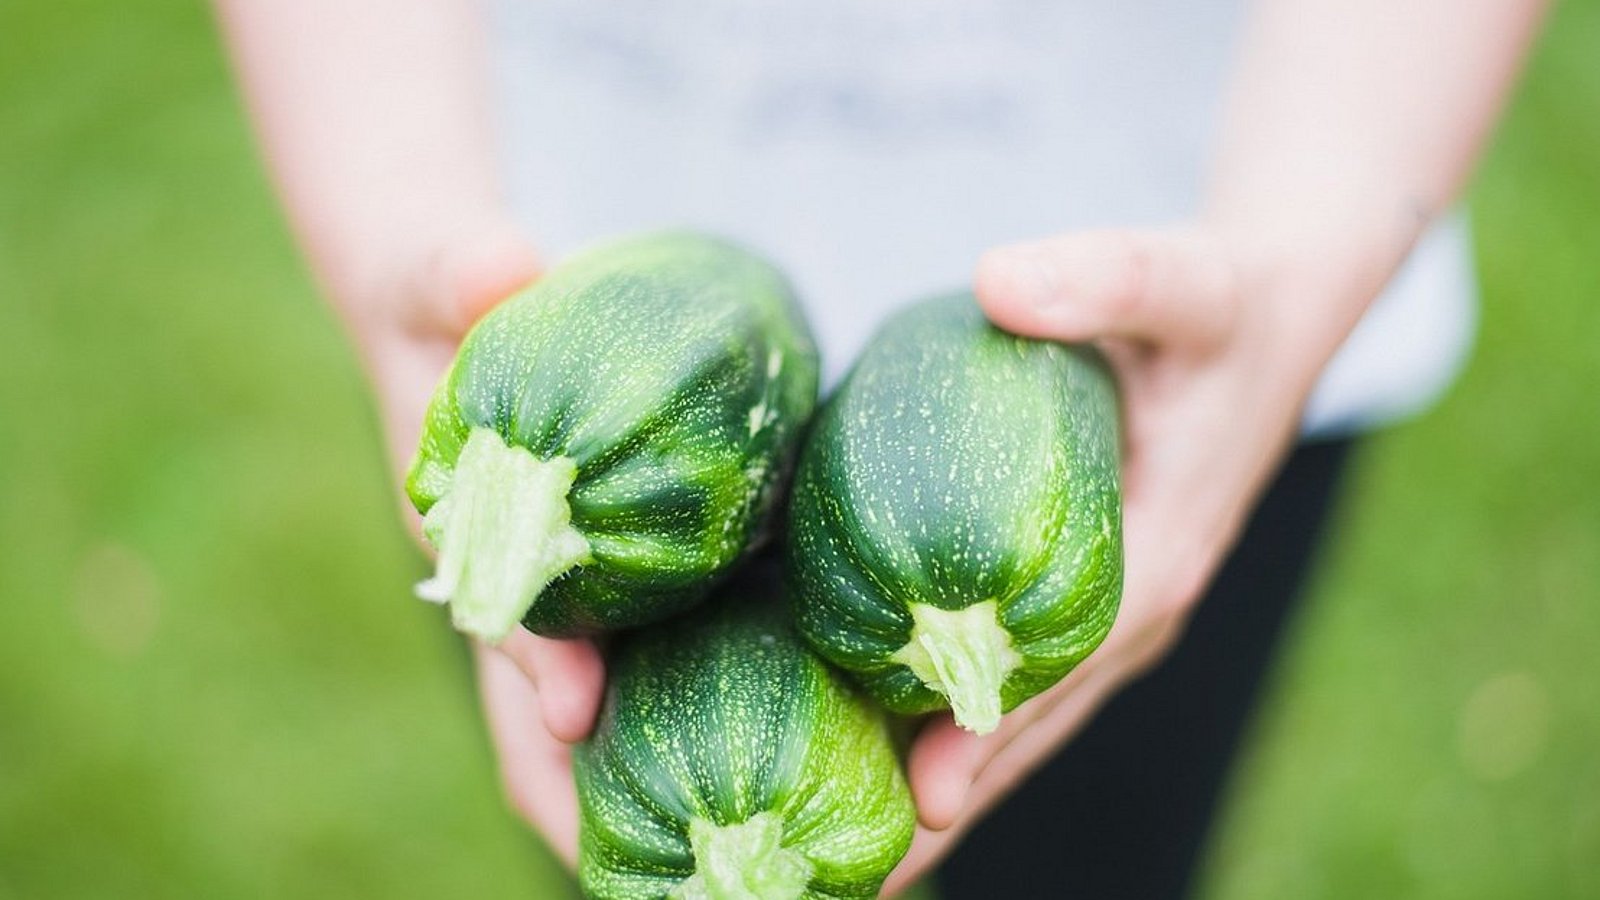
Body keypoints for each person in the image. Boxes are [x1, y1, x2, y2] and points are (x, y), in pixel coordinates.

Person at [213, 1, 1546, 895]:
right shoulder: (533, 423)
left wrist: (1301, 264)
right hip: (566, 280)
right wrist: (392, 212)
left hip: (1199, 315)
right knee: (586, 734)